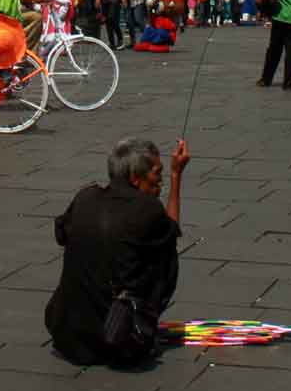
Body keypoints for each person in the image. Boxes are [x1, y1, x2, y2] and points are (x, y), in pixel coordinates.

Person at [45, 137, 190, 367]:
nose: (159, 182)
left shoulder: (85, 196)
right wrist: (176, 175)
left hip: (67, 337)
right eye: (156, 174)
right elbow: (172, 232)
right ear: (135, 178)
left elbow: (61, 236)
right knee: (165, 251)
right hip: (120, 342)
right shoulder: (148, 209)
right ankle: (137, 320)